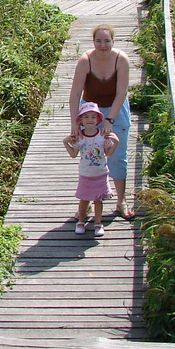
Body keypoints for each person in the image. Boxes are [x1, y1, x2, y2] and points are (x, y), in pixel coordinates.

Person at [68, 23, 135, 219]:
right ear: (93, 42)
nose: (102, 45)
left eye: (107, 41)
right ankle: (87, 202)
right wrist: (74, 122)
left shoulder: (121, 60)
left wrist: (110, 120)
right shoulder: (85, 61)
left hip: (116, 109)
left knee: (117, 156)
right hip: (90, 111)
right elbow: (75, 94)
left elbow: (122, 93)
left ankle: (121, 201)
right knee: (90, 154)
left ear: (113, 41)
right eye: (98, 41)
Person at [63, 102, 118, 237]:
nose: (90, 120)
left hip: (101, 173)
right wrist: (66, 142)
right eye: (86, 117)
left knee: (98, 201)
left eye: (93, 117)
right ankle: (81, 221)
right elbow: (73, 154)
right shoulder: (79, 137)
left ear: (98, 119)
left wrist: (116, 142)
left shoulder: (102, 136)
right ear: (81, 120)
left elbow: (108, 154)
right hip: (85, 174)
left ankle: (98, 223)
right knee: (84, 199)